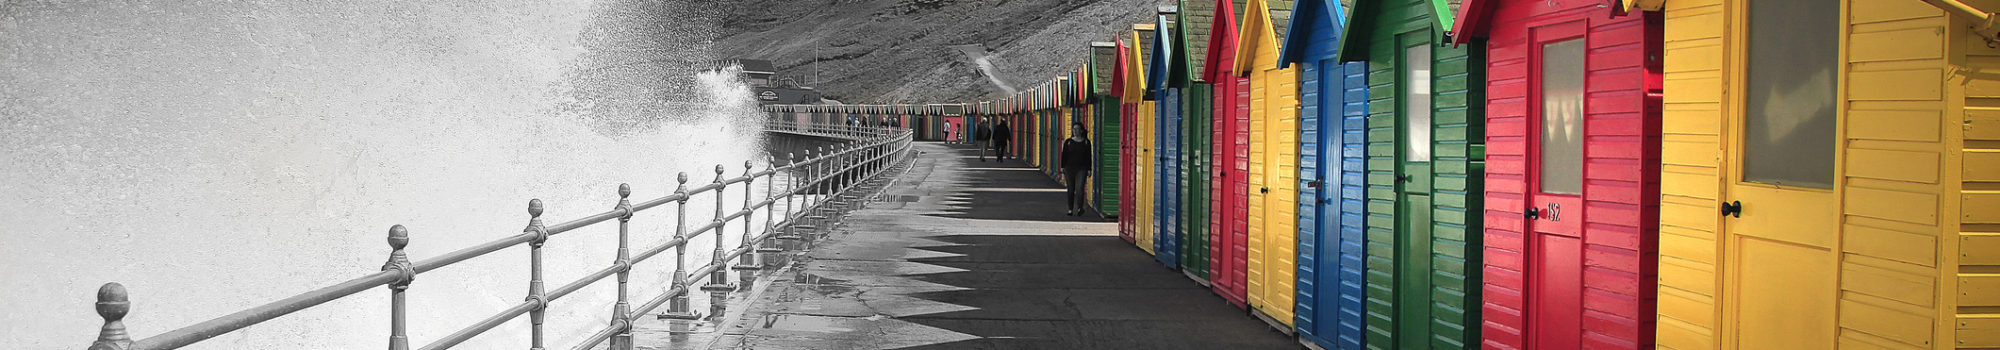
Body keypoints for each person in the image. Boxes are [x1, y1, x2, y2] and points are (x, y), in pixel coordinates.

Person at [1060, 122, 1093, 216]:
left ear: (1081, 130)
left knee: (1080, 189)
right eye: (1073, 129)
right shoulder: (1068, 142)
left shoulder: (1086, 142)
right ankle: (1070, 209)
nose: (1075, 131)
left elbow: (1088, 157)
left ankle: (1079, 208)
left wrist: (1089, 169)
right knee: (1070, 189)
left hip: (1081, 169)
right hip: (1069, 168)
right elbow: (1064, 155)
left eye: (1077, 129)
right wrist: (1062, 167)